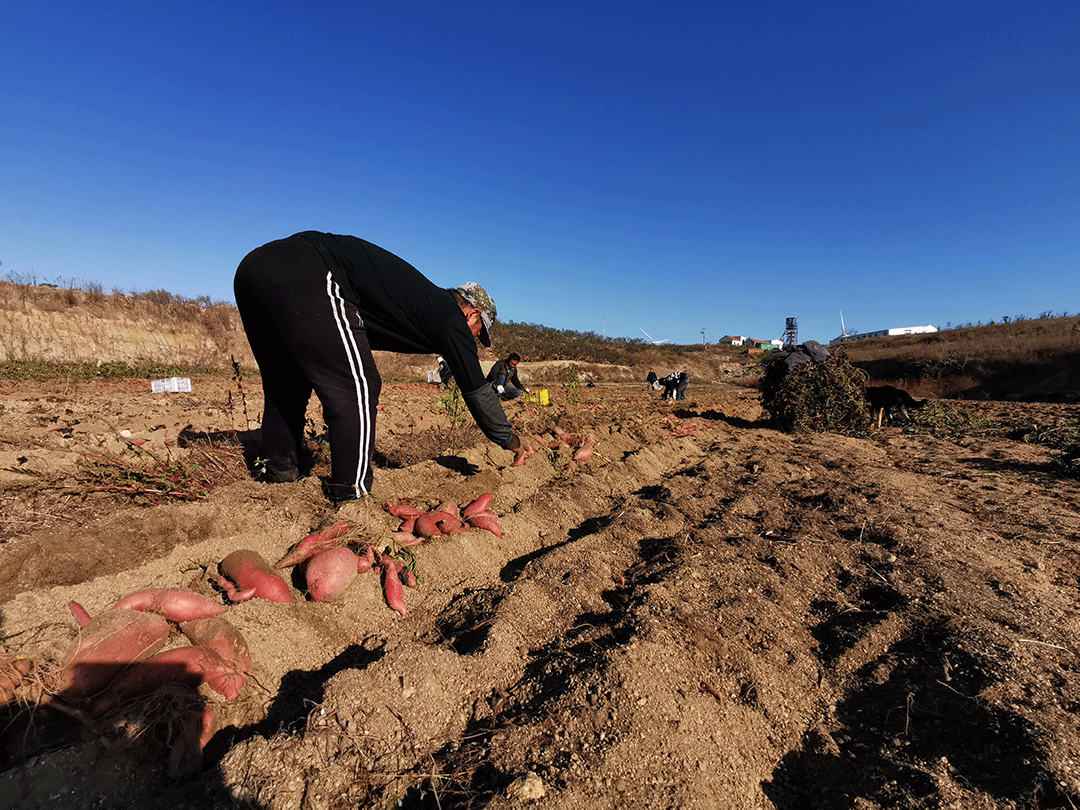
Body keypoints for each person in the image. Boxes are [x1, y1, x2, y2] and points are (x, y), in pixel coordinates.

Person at [233, 232, 535, 502]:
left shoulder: (422, 304)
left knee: (286, 385)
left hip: (254, 270)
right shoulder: (451, 319)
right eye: (478, 332)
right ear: (473, 314)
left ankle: (281, 478)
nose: (474, 339)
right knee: (359, 386)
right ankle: (351, 493)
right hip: (311, 267)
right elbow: (477, 390)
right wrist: (510, 439)